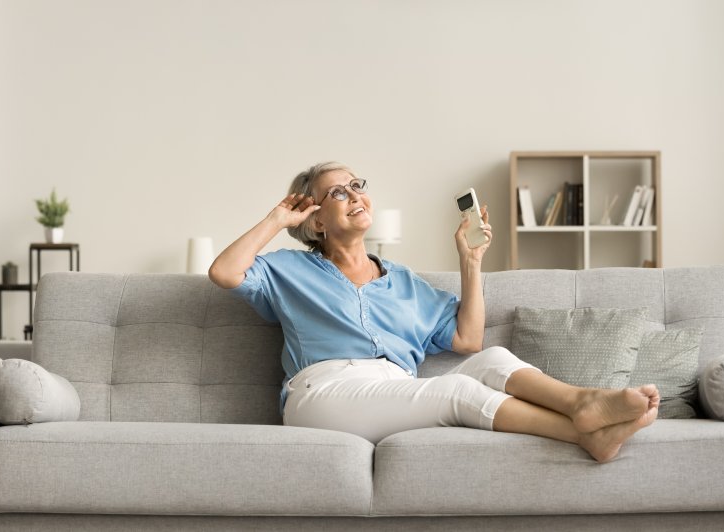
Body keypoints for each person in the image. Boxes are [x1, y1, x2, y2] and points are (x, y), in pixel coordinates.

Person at [209, 161, 658, 462]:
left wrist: (471, 261)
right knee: (456, 392)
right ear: (316, 219)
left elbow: (468, 341)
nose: (355, 195)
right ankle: (582, 431)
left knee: (493, 361)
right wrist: (276, 220)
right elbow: (224, 272)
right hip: (322, 395)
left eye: (358, 186)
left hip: (394, 388)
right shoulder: (288, 269)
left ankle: (582, 402)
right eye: (338, 193)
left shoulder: (403, 281)